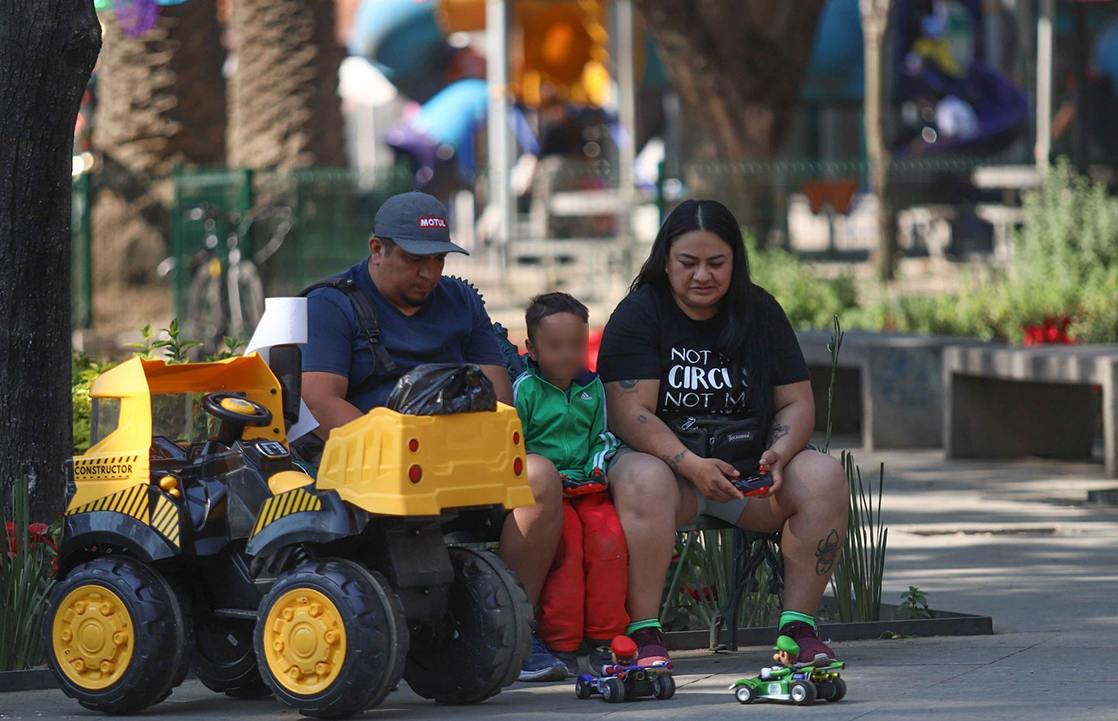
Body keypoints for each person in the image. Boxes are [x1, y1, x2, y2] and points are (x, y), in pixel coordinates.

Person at [299, 191, 565, 677]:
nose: (429, 273)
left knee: (541, 478)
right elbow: (320, 403)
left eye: (438, 259)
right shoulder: (333, 304)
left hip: (457, 454)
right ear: (376, 249)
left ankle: (511, 631)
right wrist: (398, 449)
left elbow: (498, 393)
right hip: (368, 461)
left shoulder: (460, 299)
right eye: (415, 259)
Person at [597, 199, 848, 668]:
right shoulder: (639, 314)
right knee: (641, 477)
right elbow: (629, 412)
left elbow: (797, 401)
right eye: (688, 263)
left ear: (735, 261)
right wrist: (689, 464)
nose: (702, 276)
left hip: (750, 476)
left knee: (824, 476)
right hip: (672, 479)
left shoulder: (761, 311)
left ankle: (798, 629)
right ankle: (645, 634)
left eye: (717, 263)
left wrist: (780, 451)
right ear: (665, 261)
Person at [511, 293, 626, 681]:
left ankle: (606, 638)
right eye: (555, 346)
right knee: (566, 543)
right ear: (532, 348)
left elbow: (603, 438)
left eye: (576, 345)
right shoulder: (524, 390)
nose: (567, 355)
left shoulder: (593, 388)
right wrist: (548, 476)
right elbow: (516, 444)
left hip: (588, 486)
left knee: (608, 538)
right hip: (547, 492)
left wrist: (595, 469)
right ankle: (559, 641)